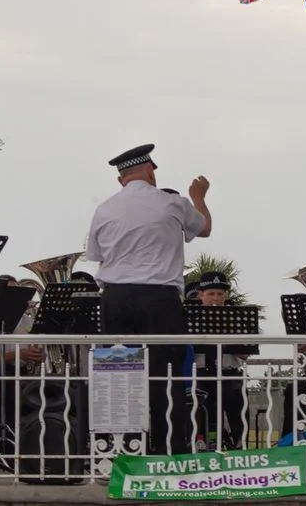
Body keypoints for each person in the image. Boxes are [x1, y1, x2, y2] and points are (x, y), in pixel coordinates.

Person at [85, 143, 211, 454]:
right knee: (167, 379)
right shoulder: (172, 203)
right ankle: (170, 452)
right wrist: (199, 196)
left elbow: (96, 255)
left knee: (119, 378)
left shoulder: (105, 208)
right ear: (151, 171)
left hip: (115, 299)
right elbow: (204, 228)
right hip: (159, 299)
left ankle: (122, 451)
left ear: (121, 179)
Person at [194, 270, 248, 450]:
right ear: (201, 295)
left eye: (219, 294)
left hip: (228, 373)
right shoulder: (191, 319)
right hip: (201, 373)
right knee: (195, 397)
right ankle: (199, 441)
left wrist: (229, 334)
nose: (215, 298)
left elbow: (245, 354)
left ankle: (240, 441)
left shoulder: (238, 319)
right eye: (210, 294)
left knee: (236, 394)